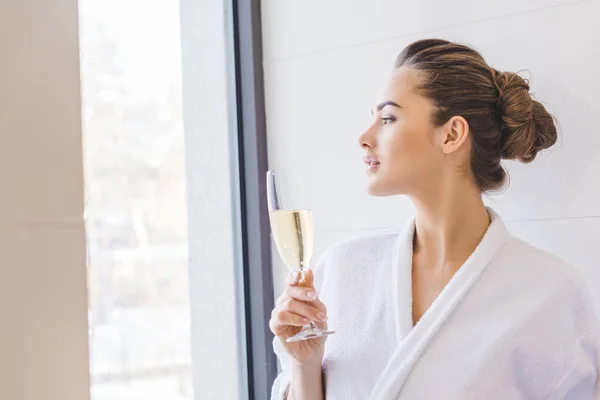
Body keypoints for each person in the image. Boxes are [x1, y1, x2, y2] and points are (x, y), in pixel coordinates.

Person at [269, 39, 600, 400]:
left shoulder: (550, 294)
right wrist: (304, 364)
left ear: (452, 134)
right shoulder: (343, 270)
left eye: (387, 118)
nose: (364, 138)